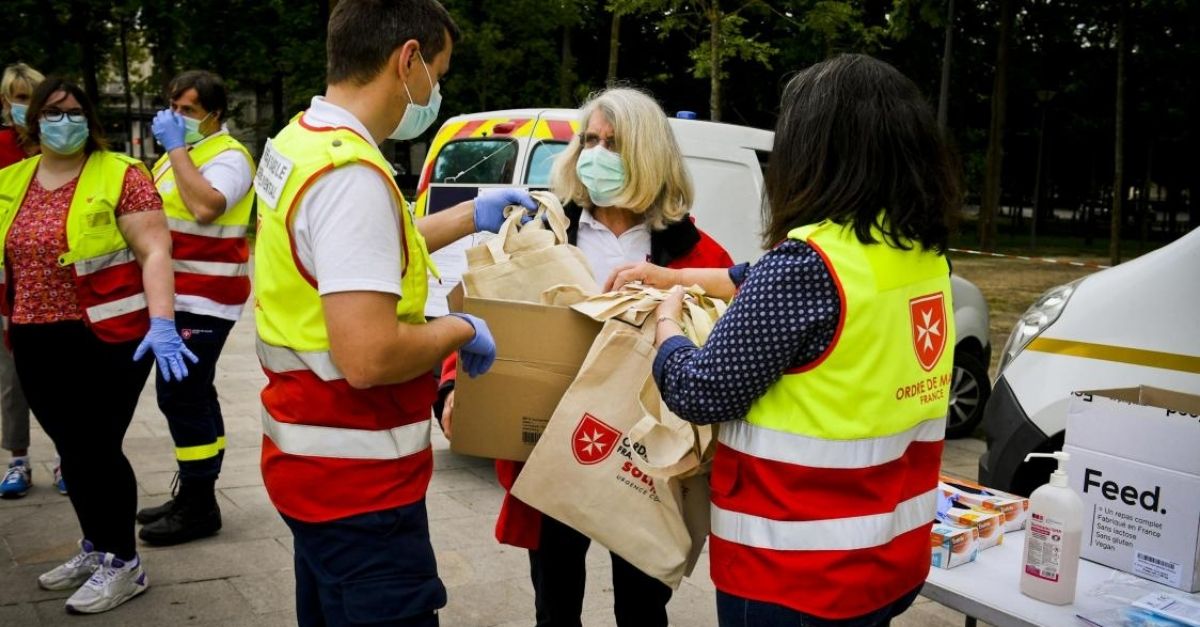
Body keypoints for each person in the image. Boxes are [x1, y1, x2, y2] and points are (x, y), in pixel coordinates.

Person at [629, 54, 959, 626]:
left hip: (795, 575)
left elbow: (702, 391)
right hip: (886, 562)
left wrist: (667, 327)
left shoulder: (806, 266)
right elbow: (755, 280)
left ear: (818, 152)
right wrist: (677, 275)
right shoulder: (919, 258)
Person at [253, 1, 535, 624]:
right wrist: (461, 328)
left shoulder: (302, 141)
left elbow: (363, 248)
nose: (436, 90)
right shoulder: (350, 175)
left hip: (312, 468)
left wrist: (469, 215)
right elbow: (368, 356)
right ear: (407, 60)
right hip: (359, 485)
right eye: (438, 72)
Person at [437, 87, 734, 627]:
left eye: (613, 143)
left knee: (643, 610)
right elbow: (485, 308)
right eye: (589, 139)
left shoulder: (701, 257)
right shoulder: (542, 234)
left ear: (649, 154)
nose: (595, 153)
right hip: (549, 443)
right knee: (554, 605)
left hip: (644, 460)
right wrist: (452, 387)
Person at [0, 77, 196, 614]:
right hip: (34, 337)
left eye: (74, 111)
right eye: (53, 113)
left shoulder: (121, 175)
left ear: (91, 118)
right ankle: (96, 546)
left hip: (107, 337)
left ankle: (124, 563)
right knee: (71, 448)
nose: (65, 122)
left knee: (95, 447)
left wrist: (162, 323)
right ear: (33, 122)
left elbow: (155, 249)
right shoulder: (11, 180)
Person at [135, 70, 256, 546]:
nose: (176, 117)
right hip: (178, 295)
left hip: (206, 298)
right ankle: (194, 492)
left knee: (181, 397)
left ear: (215, 115)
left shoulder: (229, 157)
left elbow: (206, 206)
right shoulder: (181, 155)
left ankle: (201, 507)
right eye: (173, 106)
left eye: (188, 110)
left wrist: (176, 149)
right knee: (194, 395)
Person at [0, 62, 62, 499]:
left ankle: (67, 458)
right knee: (12, 377)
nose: (24, 107)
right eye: (17, 98)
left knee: (61, 377)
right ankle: (17, 460)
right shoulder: (1, 147)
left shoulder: (58, 147)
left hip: (56, 282)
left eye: (31, 98)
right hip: (6, 283)